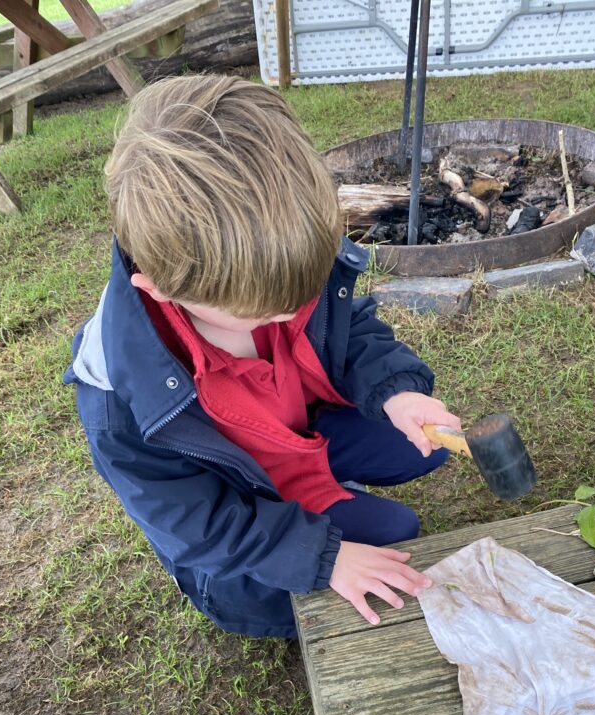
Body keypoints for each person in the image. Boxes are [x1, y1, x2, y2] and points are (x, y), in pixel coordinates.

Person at [63, 75, 461, 639]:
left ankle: (322, 484)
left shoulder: (278, 253)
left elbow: (350, 330)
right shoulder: (121, 399)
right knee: (394, 538)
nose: (292, 312)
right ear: (160, 289)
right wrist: (326, 560)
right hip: (235, 524)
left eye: (303, 294)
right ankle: (264, 569)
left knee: (414, 445)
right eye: (266, 314)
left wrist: (396, 390)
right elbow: (198, 526)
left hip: (295, 433)